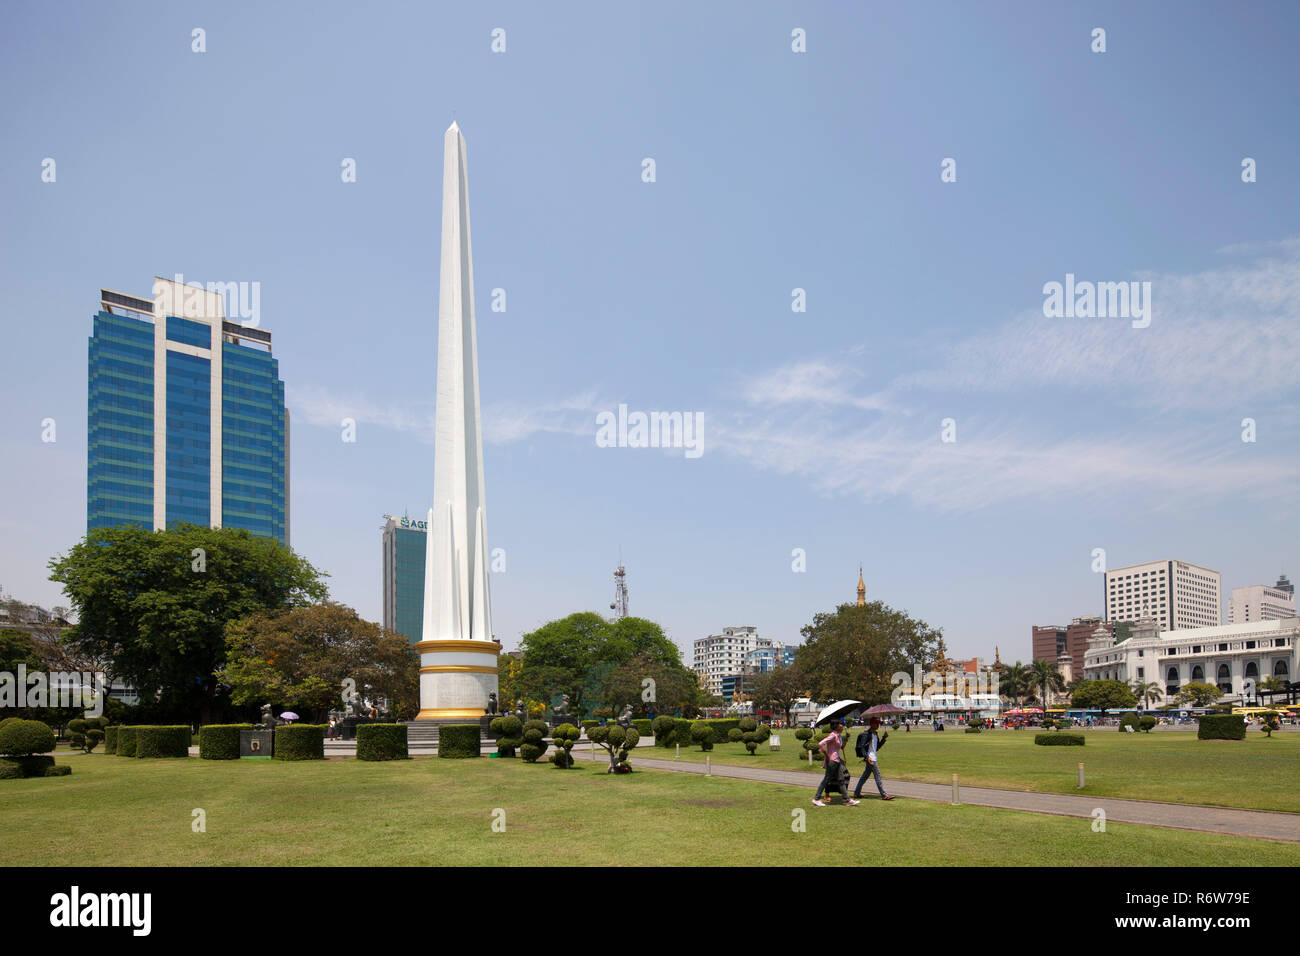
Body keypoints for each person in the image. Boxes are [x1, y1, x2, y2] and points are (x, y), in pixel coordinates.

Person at [813, 722, 857, 806]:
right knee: (826, 780)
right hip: (832, 761)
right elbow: (820, 743)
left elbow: (841, 747)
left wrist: (846, 738)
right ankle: (816, 798)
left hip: (837, 761)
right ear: (836, 726)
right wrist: (826, 754)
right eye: (840, 724)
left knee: (841, 780)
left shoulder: (838, 735)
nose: (842, 726)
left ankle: (847, 800)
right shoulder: (833, 735)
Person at [853, 717, 895, 800]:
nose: (878, 725)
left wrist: (883, 738)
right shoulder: (866, 734)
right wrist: (866, 757)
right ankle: (884, 795)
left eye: (879, 723)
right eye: (877, 723)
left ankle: (856, 793)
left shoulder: (875, 734)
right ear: (872, 724)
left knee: (865, 776)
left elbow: (877, 747)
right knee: (878, 776)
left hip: (873, 757)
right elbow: (862, 747)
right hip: (870, 758)